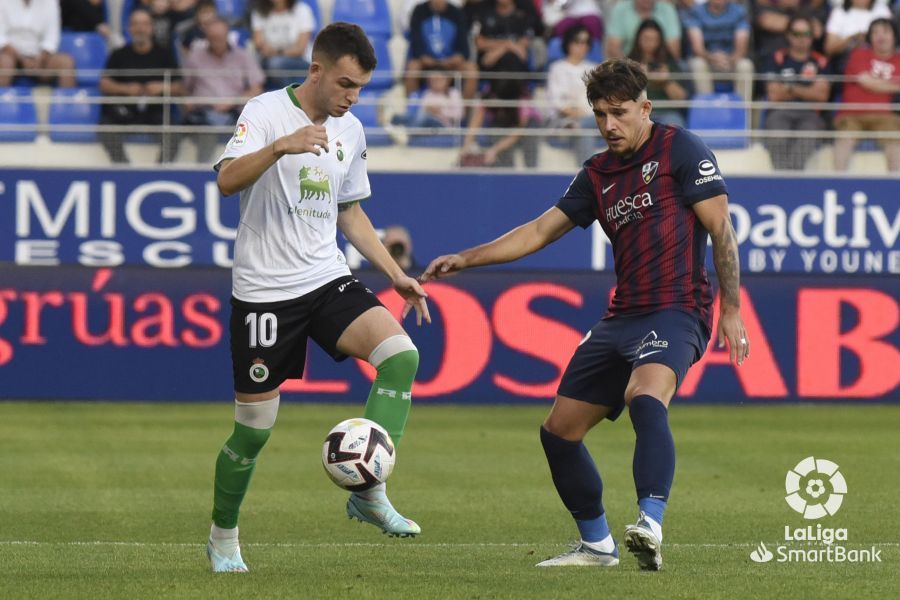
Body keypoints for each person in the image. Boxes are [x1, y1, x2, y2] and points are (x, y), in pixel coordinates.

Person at [423, 58, 749, 571]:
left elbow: (721, 229)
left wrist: (731, 307)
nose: (608, 125)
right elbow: (538, 231)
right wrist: (467, 257)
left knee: (645, 396)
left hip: (677, 309)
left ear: (646, 108)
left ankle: (650, 522)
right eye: (599, 114)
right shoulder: (597, 173)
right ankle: (597, 545)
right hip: (621, 318)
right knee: (558, 432)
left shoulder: (679, 148)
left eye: (618, 113)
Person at [207, 22, 431, 573]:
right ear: (316, 71)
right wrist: (282, 146)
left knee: (401, 356)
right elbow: (226, 180)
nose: (351, 99)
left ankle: (369, 492)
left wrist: (393, 272)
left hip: (326, 277)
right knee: (253, 433)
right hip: (264, 293)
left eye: (359, 89)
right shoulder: (263, 113)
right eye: (345, 85)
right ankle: (223, 536)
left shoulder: (350, 129)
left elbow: (349, 210)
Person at [98, 8, 182, 163]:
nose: (140, 28)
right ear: (129, 28)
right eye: (135, 24)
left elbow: (180, 87)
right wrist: (126, 89)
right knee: (105, 129)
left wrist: (162, 88)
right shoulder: (119, 54)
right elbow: (104, 83)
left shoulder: (164, 54)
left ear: (151, 28)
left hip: (156, 112)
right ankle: (124, 171)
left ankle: (159, 174)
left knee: (174, 135)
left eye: (144, 24)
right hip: (124, 112)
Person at [181, 17, 264, 162]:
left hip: (234, 112)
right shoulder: (195, 57)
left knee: (248, 131)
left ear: (227, 36)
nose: (216, 41)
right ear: (206, 37)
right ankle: (203, 172)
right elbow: (186, 88)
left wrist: (232, 102)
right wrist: (189, 102)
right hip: (202, 113)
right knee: (204, 129)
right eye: (212, 38)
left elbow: (256, 88)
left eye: (219, 37)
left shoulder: (242, 56)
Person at [760, 14, 830, 170]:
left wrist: (790, 88)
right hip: (779, 111)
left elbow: (821, 96)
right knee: (777, 136)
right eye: (796, 34)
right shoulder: (777, 58)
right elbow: (773, 95)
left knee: (807, 138)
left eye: (806, 34)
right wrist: (807, 90)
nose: (801, 38)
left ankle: (788, 182)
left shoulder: (821, 61)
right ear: (788, 35)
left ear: (812, 36)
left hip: (810, 114)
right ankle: (784, 180)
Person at [833, 17, 900, 171]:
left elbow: (873, 82)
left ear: (894, 36)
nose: (880, 36)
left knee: (896, 143)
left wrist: (881, 84)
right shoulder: (859, 54)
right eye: (875, 32)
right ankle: (838, 184)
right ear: (870, 38)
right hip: (852, 115)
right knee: (844, 141)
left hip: (886, 117)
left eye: (885, 31)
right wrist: (896, 86)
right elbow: (867, 82)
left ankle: (896, 188)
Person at [546, 24, 602, 162]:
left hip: (591, 119)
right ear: (568, 43)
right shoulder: (557, 68)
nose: (581, 46)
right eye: (577, 42)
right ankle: (588, 178)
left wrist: (583, 119)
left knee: (586, 128)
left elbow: (599, 99)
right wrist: (576, 114)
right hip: (564, 120)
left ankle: (585, 177)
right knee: (586, 132)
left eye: (585, 42)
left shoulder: (594, 69)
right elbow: (557, 102)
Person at [406, 0, 479, 100]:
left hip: (450, 64)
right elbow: (416, 44)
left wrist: (452, 60)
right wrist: (426, 59)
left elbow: (464, 49)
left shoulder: (456, 12)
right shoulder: (419, 11)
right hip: (427, 63)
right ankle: (412, 110)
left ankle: (463, 113)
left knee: (471, 69)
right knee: (412, 67)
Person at [683, 0, 754, 100]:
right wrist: (712, 58)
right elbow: (697, 48)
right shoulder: (696, 11)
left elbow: (741, 48)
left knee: (745, 65)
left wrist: (729, 59)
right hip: (706, 59)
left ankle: (742, 111)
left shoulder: (739, 11)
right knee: (697, 64)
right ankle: (706, 108)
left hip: (731, 60)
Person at [627, 18, 689, 126]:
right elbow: (622, 98)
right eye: (646, 39)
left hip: (666, 113)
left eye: (654, 39)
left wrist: (666, 82)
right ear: (638, 39)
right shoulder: (628, 64)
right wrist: (639, 80)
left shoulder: (669, 63)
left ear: (660, 41)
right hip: (636, 113)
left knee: (676, 125)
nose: (650, 43)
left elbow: (681, 99)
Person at [0, 0, 76, 88]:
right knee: (5, 62)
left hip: (39, 57)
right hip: (11, 54)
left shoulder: (51, 2)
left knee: (66, 62)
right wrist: (21, 59)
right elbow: (1, 37)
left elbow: (52, 38)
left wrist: (40, 59)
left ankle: (66, 101)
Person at [250, 0, 316, 89]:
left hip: (301, 59)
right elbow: (259, 43)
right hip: (267, 59)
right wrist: (267, 50)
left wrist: (276, 51)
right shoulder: (259, 11)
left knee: (276, 63)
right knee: (251, 62)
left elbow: (300, 49)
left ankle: (290, 95)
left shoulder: (302, 10)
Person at [604, 0, 682, 60]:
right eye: (646, 39)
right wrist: (631, 71)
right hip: (627, 68)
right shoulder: (620, 9)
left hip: (661, 66)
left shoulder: (667, 9)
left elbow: (674, 51)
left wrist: (659, 69)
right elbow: (613, 48)